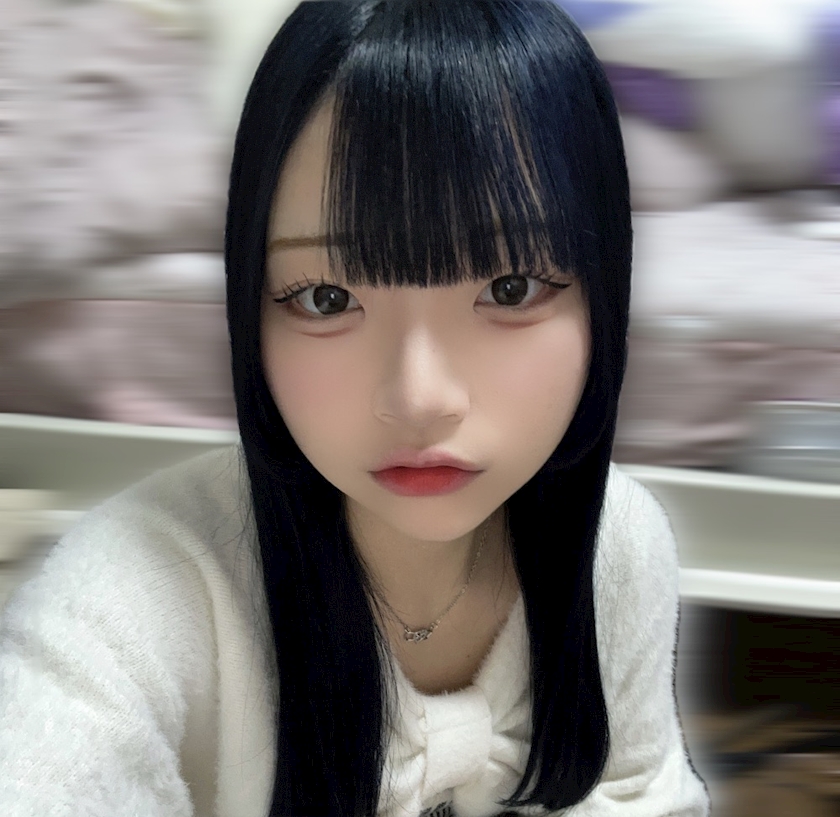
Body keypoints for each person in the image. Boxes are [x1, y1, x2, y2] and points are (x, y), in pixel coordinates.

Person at [0, 2, 711, 816]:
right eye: (326, 297)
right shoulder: (133, 594)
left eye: (510, 287)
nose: (419, 398)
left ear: (604, 291)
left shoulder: (617, 543)